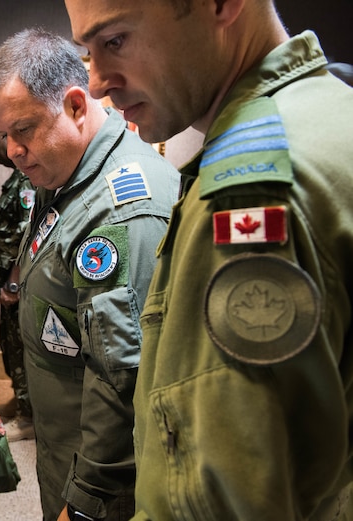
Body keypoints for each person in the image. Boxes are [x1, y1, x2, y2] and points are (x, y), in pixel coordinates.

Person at [64, 1, 353, 519]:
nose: (98, 82)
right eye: (88, 51)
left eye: (114, 41)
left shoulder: (248, 195)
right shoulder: (330, 107)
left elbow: (215, 499)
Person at [0, 28, 180, 521]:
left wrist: (84, 502)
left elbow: (122, 385)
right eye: (4, 136)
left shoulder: (120, 212)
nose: (13, 150)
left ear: (75, 106)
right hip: (64, 447)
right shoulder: (63, 174)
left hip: (104, 487)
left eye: (22, 129)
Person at [0, 129, 35, 442]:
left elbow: (28, 233)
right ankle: (23, 402)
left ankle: (29, 416)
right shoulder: (17, 178)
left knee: (20, 347)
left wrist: (14, 284)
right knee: (11, 344)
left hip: (18, 288)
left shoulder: (28, 180)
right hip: (10, 286)